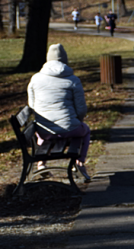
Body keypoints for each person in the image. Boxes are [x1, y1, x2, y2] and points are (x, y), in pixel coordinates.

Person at [27, 43, 91, 181]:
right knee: (85, 129)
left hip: (45, 132)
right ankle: (79, 162)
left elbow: (32, 106)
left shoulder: (35, 79)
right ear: (65, 60)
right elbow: (81, 109)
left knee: (42, 128)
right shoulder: (73, 80)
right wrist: (77, 121)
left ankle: (41, 164)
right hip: (70, 128)